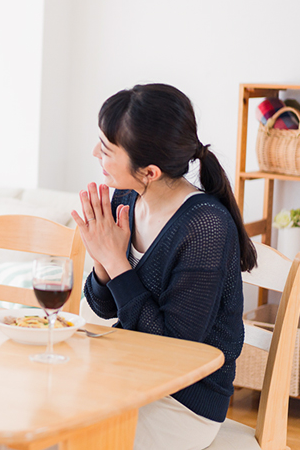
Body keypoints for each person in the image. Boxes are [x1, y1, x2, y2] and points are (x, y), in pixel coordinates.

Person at [71, 83, 257, 450]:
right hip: (127, 376)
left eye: (106, 149)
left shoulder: (205, 227)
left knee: (66, 436)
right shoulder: (126, 198)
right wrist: (102, 265)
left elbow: (173, 350)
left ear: (150, 172)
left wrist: (117, 263)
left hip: (183, 402)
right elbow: (103, 312)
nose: (95, 153)